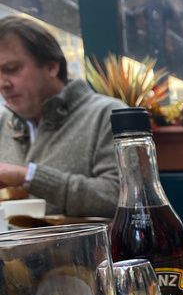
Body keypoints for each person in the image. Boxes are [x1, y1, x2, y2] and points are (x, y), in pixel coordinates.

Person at [0, 16, 125, 217]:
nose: (2, 83)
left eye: (11, 69)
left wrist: (29, 177)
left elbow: (122, 197)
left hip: (87, 248)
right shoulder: (2, 121)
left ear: (52, 67)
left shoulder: (108, 114)